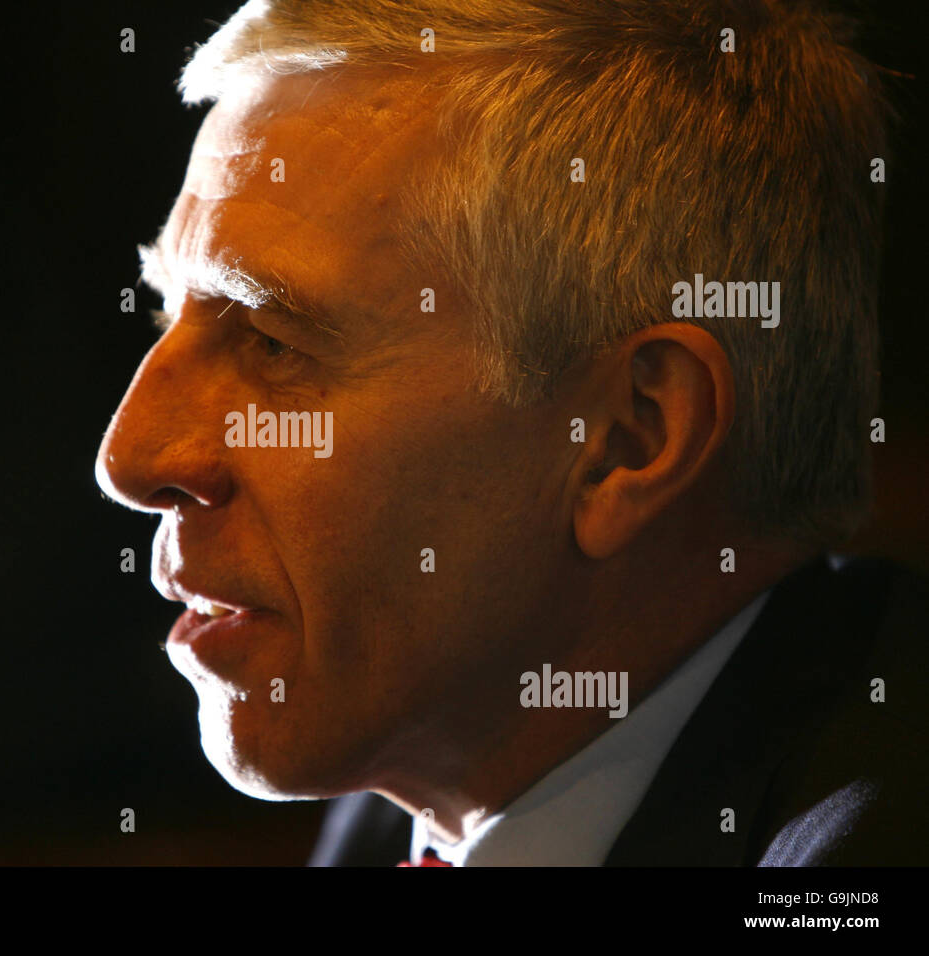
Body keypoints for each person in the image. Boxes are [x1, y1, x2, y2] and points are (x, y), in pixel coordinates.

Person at [94, 0, 928, 865]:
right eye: (168, 316)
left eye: (273, 342)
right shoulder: (392, 814)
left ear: (626, 441)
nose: (129, 457)